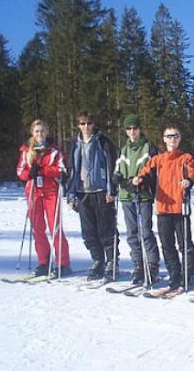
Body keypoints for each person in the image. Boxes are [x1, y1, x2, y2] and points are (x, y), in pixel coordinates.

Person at [133, 125, 194, 291]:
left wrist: (188, 181)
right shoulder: (158, 159)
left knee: (185, 244)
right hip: (163, 207)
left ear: (179, 138)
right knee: (167, 244)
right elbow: (146, 172)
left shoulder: (186, 158)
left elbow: (191, 173)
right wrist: (139, 179)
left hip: (180, 207)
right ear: (164, 139)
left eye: (175, 136)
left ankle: (187, 275)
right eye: (169, 136)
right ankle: (174, 275)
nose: (172, 139)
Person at [67, 111, 119, 281]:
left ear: (93, 124)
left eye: (89, 123)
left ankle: (112, 262)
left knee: (106, 229)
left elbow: (112, 166)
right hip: (83, 192)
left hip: (101, 191)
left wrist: (111, 190)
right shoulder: (75, 144)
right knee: (89, 231)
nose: (86, 127)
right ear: (78, 125)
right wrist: (71, 194)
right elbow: (72, 170)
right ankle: (98, 260)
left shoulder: (103, 142)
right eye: (82, 124)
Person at [16, 119, 71, 277]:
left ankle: (62, 263)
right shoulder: (26, 150)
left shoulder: (54, 150)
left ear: (47, 132)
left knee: (55, 227)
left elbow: (61, 169)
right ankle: (43, 262)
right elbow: (20, 171)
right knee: (37, 228)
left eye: (42, 131)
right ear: (32, 133)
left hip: (51, 191)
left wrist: (43, 170)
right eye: (37, 131)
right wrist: (29, 174)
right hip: (34, 191)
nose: (40, 134)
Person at [113, 114, 160, 285]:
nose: (132, 131)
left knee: (145, 231)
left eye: (135, 128)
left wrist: (142, 180)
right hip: (127, 196)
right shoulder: (123, 150)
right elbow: (117, 171)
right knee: (132, 232)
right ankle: (138, 264)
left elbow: (154, 170)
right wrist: (122, 180)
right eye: (129, 128)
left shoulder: (148, 148)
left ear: (140, 129)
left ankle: (152, 264)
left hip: (143, 195)